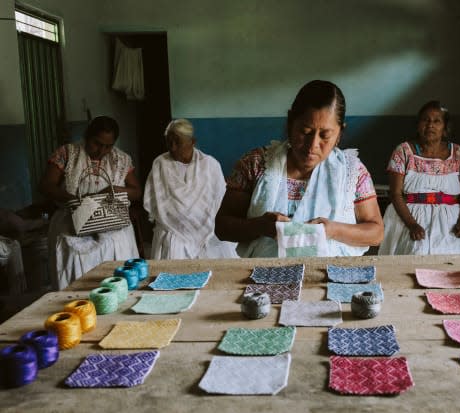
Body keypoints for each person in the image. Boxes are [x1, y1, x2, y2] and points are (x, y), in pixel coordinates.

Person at [215, 80, 384, 257]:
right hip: (265, 279)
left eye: (325, 135)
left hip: (330, 278)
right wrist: (261, 226)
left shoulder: (352, 172)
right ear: (290, 123)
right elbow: (222, 226)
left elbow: (376, 233)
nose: (313, 145)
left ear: (340, 134)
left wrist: (332, 230)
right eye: (305, 131)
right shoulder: (256, 164)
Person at [40, 116, 141, 290]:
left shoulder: (121, 159)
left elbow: (137, 192)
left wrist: (115, 190)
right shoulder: (67, 153)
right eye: (97, 143)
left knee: (116, 277)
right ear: (87, 136)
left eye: (108, 146)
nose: (102, 150)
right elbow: (45, 186)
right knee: (76, 281)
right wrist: (74, 199)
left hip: (112, 222)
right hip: (72, 224)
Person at [378, 100, 460, 255]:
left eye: (437, 121)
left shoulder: (458, 153)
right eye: (425, 120)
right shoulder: (403, 151)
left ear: (445, 128)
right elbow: (395, 194)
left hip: (451, 219)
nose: (430, 125)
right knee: (415, 253)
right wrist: (412, 225)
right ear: (418, 125)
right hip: (409, 217)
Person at [143, 119, 238, 259]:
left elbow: (219, 199)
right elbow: (156, 202)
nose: (173, 147)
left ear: (192, 142)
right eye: (169, 142)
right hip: (172, 230)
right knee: (172, 248)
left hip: (206, 229)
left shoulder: (210, 164)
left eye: (178, 142)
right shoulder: (160, 163)